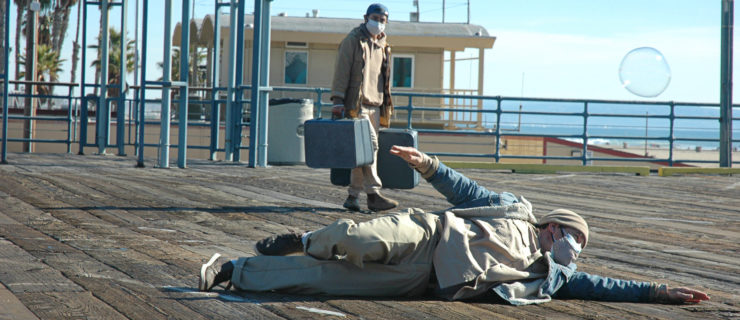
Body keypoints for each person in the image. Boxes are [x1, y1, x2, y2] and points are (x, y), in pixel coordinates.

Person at [198, 146, 710, 305]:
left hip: (426, 281)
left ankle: (234, 272)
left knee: (320, 281)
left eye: (577, 245)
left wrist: (658, 292)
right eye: (569, 236)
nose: (571, 247)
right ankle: (303, 239)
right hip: (429, 231)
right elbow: (467, 193)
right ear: (553, 225)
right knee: (357, 238)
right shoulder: (516, 209)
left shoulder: (551, 274)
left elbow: (605, 287)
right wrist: (428, 166)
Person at [330, 3, 398, 212]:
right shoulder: (352, 41)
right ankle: (373, 193)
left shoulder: (384, 45)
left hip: (376, 107)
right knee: (370, 148)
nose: (378, 22)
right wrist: (338, 100)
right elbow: (341, 71)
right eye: (375, 17)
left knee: (362, 154)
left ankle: (353, 196)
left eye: (382, 19)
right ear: (366, 17)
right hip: (356, 105)